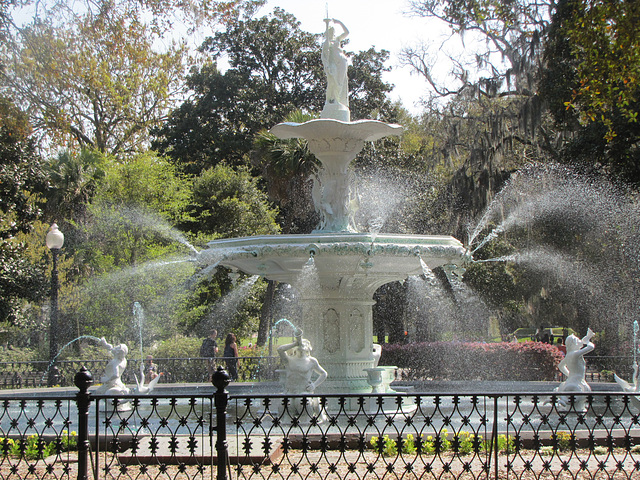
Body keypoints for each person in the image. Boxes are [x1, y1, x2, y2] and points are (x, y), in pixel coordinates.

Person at [554, 328, 595, 411]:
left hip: (571, 380)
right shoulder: (576, 354)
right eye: (578, 340)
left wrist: (570, 375)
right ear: (574, 343)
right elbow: (591, 347)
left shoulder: (569, 355)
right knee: (587, 392)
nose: (580, 341)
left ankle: (567, 405)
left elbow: (561, 366)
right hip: (578, 381)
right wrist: (587, 340)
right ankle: (579, 408)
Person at [277, 328, 328, 394]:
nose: (301, 344)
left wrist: (314, 385)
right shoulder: (289, 359)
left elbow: (324, 374)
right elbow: (280, 350)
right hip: (289, 392)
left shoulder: (311, 361)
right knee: (282, 402)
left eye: (304, 344)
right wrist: (295, 344)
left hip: (304, 392)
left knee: (301, 401)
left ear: (308, 348)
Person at [321, 18, 349, 109]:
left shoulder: (337, 39)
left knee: (340, 82)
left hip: (342, 62)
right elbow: (324, 56)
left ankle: (338, 100)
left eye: (333, 32)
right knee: (332, 82)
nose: (332, 33)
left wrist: (339, 22)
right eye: (330, 32)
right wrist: (326, 65)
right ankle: (328, 100)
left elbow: (347, 32)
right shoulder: (326, 43)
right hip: (333, 64)